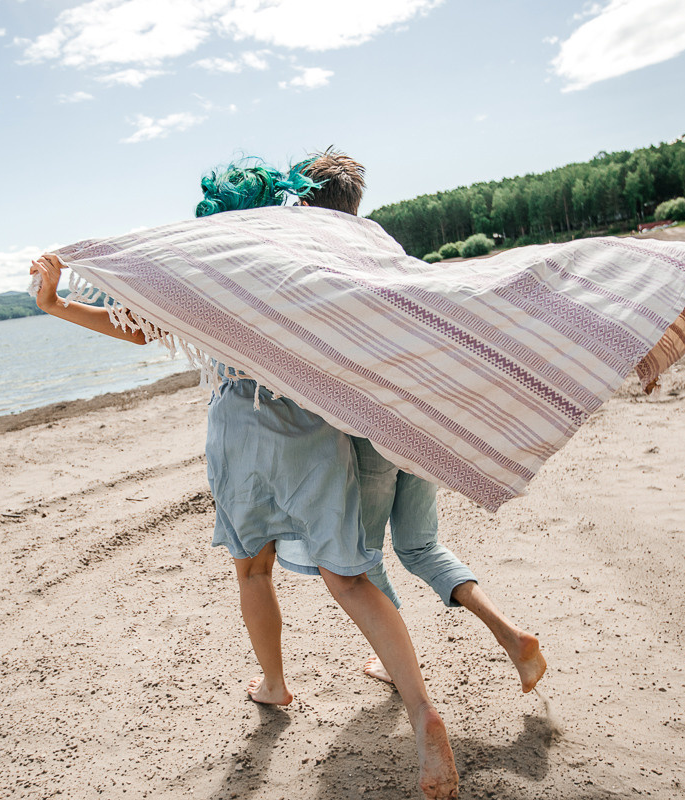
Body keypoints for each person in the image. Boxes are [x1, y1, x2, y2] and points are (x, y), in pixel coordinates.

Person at [29, 158, 460, 800]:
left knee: (252, 569)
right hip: (314, 427)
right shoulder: (302, 269)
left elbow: (140, 328)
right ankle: (422, 709)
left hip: (238, 423)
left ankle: (275, 685)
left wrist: (57, 302)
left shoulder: (209, 274)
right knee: (347, 571)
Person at [283, 148, 547, 693]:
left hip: (372, 429)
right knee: (421, 546)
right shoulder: (383, 246)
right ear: (355, 201)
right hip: (420, 421)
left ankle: (396, 662)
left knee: (364, 555)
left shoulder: (318, 261)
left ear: (304, 202)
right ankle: (511, 635)